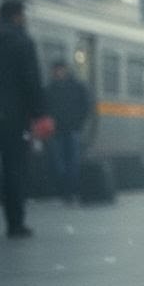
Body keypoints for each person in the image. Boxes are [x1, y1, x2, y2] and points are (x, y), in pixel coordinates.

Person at [0, 0, 48, 238]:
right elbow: (31, 80)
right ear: (18, 15)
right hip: (13, 119)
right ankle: (15, 224)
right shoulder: (21, 40)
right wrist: (40, 113)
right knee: (14, 173)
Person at [44, 61, 93, 203]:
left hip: (72, 129)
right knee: (60, 162)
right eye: (56, 70)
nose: (58, 73)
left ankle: (70, 191)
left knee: (71, 162)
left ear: (65, 70)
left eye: (60, 70)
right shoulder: (50, 89)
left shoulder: (76, 87)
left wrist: (78, 123)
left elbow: (85, 106)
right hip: (56, 131)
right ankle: (65, 190)